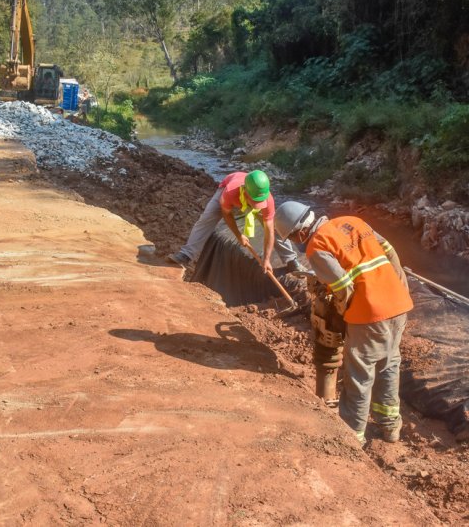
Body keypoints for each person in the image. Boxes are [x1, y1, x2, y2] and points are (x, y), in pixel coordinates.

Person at [274, 201, 413, 444]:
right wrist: (400, 287)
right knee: (389, 363)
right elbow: (389, 251)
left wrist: (343, 314)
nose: (297, 242)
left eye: (294, 238)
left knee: (359, 374)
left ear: (301, 232)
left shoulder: (316, 246)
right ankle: (390, 427)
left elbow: (343, 288)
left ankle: (351, 435)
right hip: (399, 305)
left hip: (370, 313)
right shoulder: (352, 221)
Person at [168, 170, 303, 273]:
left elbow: (269, 231)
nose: (258, 204)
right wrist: (239, 236)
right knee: (207, 217)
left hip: (245, 194)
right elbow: (227, 215)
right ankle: (186, 254)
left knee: (275, 228)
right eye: (255, 201)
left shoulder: (268, 200)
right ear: (245, 191)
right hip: (228, 189)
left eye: (260, 201)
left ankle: (291, 260)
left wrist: (266, 259)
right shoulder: (230, 192)